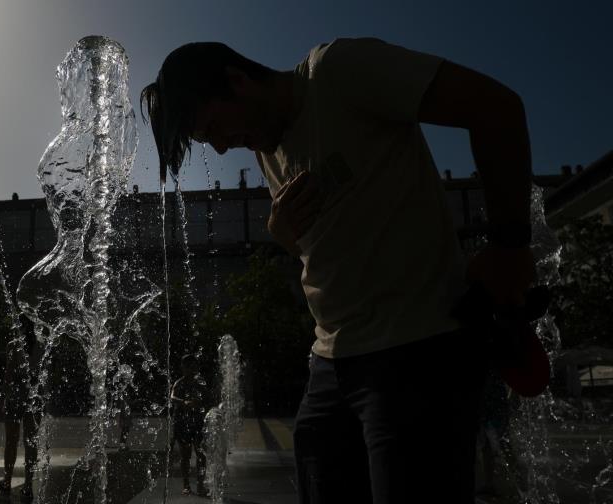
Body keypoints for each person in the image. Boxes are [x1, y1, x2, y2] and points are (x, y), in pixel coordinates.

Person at [142, 38, 535, 504]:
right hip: (330, 362)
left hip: (417, 351)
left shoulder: (338, 72)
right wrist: (282, 235)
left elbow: (495, 107)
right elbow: (332, 244)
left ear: (237, 81)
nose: (224, 148)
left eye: (214, 127)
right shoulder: (268, 152)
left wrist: (510, 245)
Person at [0, 335, 38, 502]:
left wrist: (3, 398)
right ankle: (27, 485)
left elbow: (9, 374)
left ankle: (7, 481)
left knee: (11, 440)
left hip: (15, 397)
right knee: (31, 441)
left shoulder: (14, 344)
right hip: (35, 397)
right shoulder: (41, 343)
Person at [170, 354, 208, 496]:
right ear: (183, 368)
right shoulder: (179, 383)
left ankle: (200, 485)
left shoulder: (200, 382)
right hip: (182, 423)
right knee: (185, 456)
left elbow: (207, 397)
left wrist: (199, 402)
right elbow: (172, 397)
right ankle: (186, 485)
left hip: (198, 422)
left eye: (194, 366)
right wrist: (184, 402)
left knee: (201, 455)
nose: (192, 370)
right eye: (189, 367)